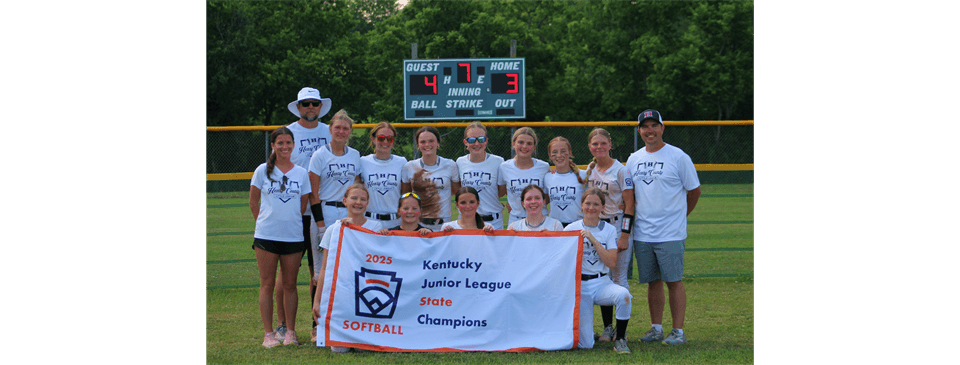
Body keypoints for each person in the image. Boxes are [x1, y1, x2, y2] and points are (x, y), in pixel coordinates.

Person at [626, 109, 701, 346]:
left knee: (673, 280)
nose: (650, 131)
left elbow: (694, 191)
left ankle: (678, 331)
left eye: (654, 126)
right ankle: (656, 328)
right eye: (645, 127)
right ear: (639, 131)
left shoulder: (678, 157)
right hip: (643, 232)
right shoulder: (633, 158)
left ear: (662, 128)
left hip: (670, 232)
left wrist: (680, 216)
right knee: (652, 281)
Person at [275, 86, 332, 342]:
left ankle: (316, 324)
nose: (310, 107)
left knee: (317, 271)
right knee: (287, 272)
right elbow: (274, 172)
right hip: (294, 213)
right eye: (305, 103)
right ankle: (282, 325)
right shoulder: (289, 134)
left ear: (320, 107)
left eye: (315, 103)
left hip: (322, 212)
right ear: (298, 107)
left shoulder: (331, 132)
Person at [248, 127, 311, 347]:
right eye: (280, 143)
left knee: (290, 285)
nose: (285, 147)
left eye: (288, 143)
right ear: (273, 145)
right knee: (266, 284)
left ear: (294, 145)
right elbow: (253, 203)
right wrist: (266, 223)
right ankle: (268, 334)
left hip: (293, 236)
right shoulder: (262, 170)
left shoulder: (301, 173)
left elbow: (302, 206)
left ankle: (290, 332)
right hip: (266, 235)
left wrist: (286, 222)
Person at [306, 109, 360, 342]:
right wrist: (320, 224)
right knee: (320, 272)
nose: (341, 131)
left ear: (350, 132)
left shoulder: (355, 155)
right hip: (325, 213)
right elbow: (313, 193)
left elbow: (358, 188)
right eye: (337, 127)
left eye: (345, 128)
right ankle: (316, 324)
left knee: (348, 269)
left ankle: (343, 320)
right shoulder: (319, 155)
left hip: (348, 213)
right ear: (330, 129)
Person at [312, 184, 384, 353]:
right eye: (354, 198)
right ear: (345, 201)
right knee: (339, 349)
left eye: (363, 199)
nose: (358, 202)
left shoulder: (376, 227)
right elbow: (324, 269)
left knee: (365, 349)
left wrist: (353, 230)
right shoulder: (334, 229)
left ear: (367, 203)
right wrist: (317, 301)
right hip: (342, 294)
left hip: (367, 292)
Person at [582, 127, 636, 342]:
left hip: (616, 224)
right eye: (595, 144)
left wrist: (624, 234)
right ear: (589, 147)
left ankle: (621, 330)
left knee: (619, 277)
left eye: (603, 143)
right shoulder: (590, 168)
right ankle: (607, 328)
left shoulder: (620, 170)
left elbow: (630, 203)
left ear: (610, 145)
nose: (599, 147)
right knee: (602, 276)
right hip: (597, 226)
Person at [564, 188, 633, 353]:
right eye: (587, 203)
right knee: (586, 344)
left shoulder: (608, 230)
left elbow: (611, 262)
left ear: (603, 207)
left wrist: (593, 239)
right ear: (581, 205)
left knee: (623, 296)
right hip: (580, 285)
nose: (591, 208)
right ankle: (585, 332)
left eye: (596, 204)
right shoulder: (570, 229)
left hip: (601, 282)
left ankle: (621, 339)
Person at [401, 126, 461, 231]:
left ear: (438, 143)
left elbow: (457, 192)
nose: (427, 145)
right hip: (417, 224)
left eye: (431, 141)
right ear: (418, 145)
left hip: (443, 225)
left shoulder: (450, 165)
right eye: (423, 142)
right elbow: (406, 195)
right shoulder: (409, 167)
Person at [456, 122, 506, 229]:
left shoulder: (498, 161)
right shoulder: (460, 162)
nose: (477, 143)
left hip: (494, 221)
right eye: (472, 140)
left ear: (486, 141)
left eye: (481, 139)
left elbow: (501, 191)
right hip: (467, 221)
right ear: (465, 142)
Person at [359, 122, 407, 229]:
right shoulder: (363, 161)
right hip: (370, 220)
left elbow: (405, 192)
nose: (385, 142)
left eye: (390, 138)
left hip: (395, 221)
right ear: (373, 138)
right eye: (381, 138)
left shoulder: (401, 162)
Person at [499, 127, 550, 226]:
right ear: (513, 144)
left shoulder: (544, 167)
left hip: (540, 219)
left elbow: (548, 197)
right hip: (516, 220)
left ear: (534, 146)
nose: (524, 146)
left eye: (529, 143)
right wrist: (512, 202)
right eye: (520, 142)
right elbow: (500, 192)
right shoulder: (504, 167)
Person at [544, 136, 586, 227]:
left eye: (563, 151)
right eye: (554, 152)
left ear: (570, 153)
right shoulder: (547, 177)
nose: (559, 155)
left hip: (578, 225)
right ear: (550, 155)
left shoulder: (583, 175)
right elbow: (544, 200)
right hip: (555, 227)